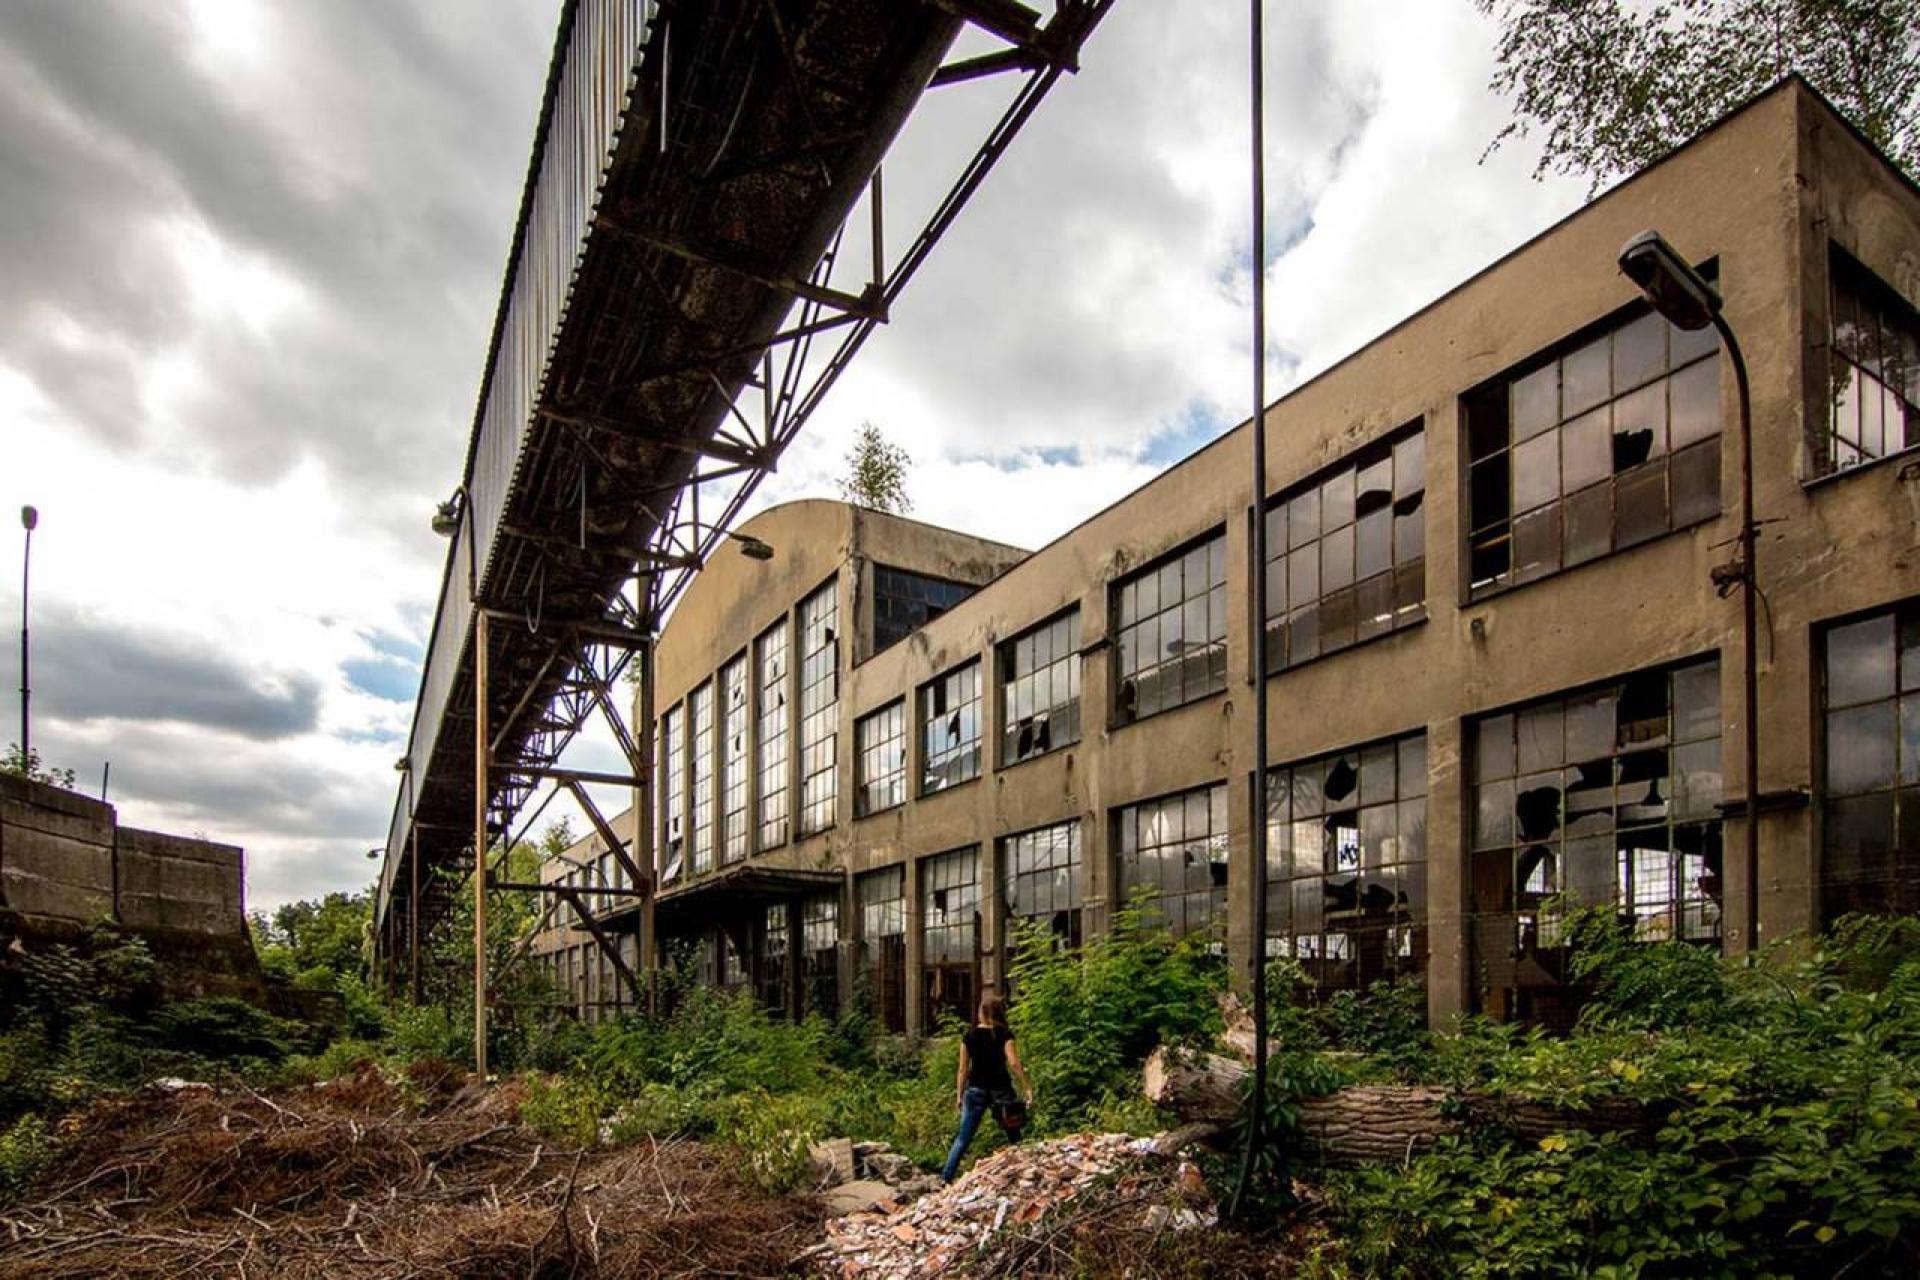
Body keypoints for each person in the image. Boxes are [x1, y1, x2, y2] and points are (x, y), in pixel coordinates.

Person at [941, 992, 1034, 1184]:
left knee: (963, 1138)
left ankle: (945, 1178)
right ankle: (1028, 1171)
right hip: (1001, 1090)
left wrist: (959, 1095)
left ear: (982, 1013)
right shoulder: (1005, 1035)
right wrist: (1027, 1087)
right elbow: (1014, 1063)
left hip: (975, 1090)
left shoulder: (970, 1036)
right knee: (1014, 1134)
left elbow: (962, 1069)